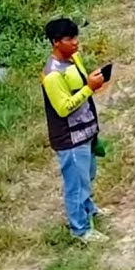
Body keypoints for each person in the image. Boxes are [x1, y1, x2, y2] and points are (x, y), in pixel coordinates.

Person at [42, 18, 110, 243]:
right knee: (76, 184)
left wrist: (92, 81)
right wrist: (90, 88)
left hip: (86, 131)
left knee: (87, 177)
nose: (75, 43)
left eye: (75, 37)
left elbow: (80, 87)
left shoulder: (74, 59)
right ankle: (80, 230)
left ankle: (89, 210)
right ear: (55, 42)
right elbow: (63, 108)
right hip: (70, 137)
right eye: (69, 39)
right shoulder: (52, 75)